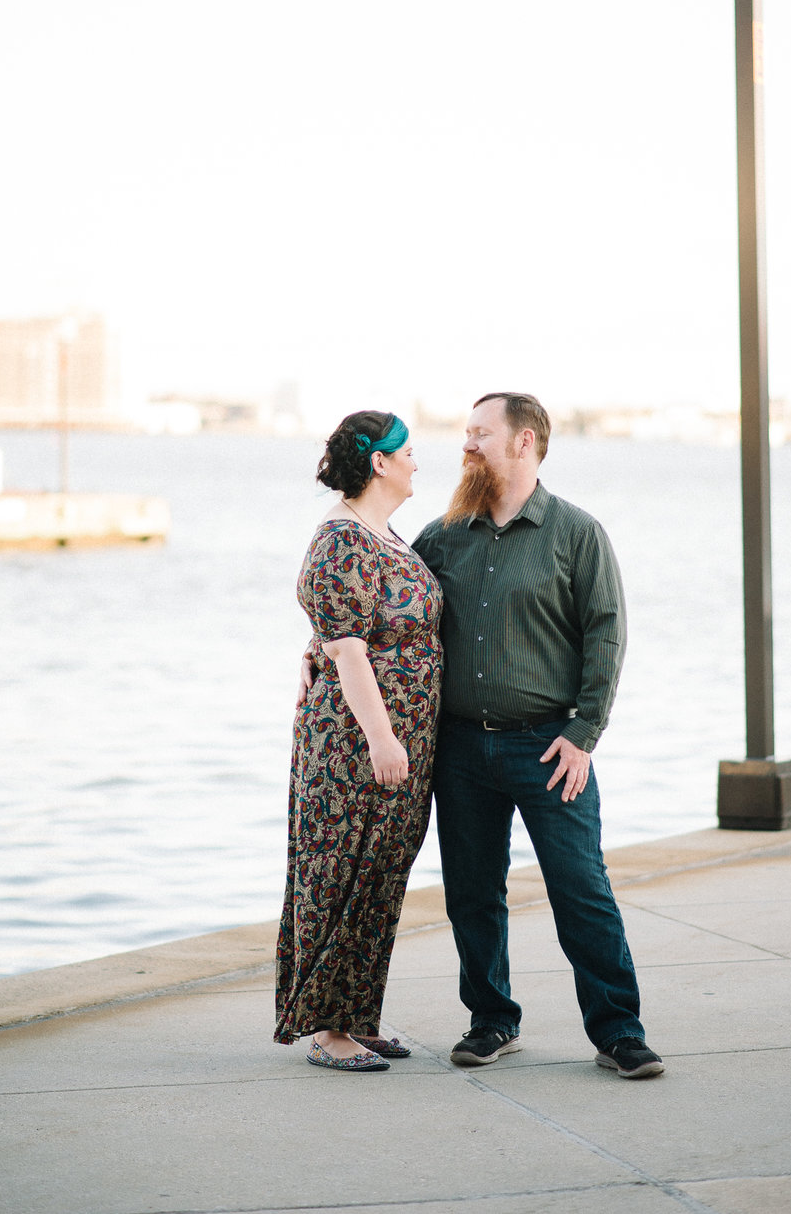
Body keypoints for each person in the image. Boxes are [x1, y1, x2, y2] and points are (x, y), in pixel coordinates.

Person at [411, 391, 663, 1079]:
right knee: (471, 890)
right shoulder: (440, 536)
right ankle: (492, 1020)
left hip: (552, 747)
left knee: (581, 888)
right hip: (460, 750)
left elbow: (606, 632)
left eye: (479, 433)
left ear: (523, 442)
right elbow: (393, 615)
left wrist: (584, 732)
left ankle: (619, 1032)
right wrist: (327, 645)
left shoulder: (577, 533)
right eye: (465, 432)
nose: (466, 444)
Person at [275, 410, 443, 1072]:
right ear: (380, 462)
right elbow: (346, 649)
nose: (416, 462)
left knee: (379, 879)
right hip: (355, 747)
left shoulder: (386, 534)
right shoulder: (343, 538)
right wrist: (382, 737)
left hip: (403, 744)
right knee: (340, 874)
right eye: (407, 452)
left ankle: (357, 1016)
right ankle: (327, 1030)